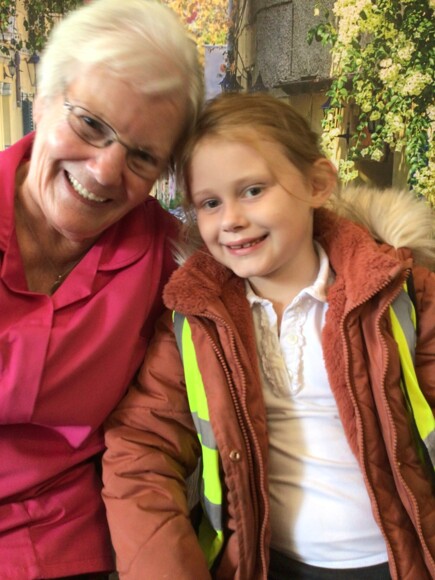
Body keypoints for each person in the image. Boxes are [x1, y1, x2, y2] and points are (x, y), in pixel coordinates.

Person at [102, 93, 435, 579]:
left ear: (317, 184)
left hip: (400, 563)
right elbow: (140, 448)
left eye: (253, 190)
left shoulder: (403, 297)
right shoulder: (195, 322)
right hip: (263, 564)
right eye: (210, 203)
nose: (231, 219)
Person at [0, 0, 203, 577]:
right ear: (43, 101)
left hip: (70, 548)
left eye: (142, 156)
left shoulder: (171, 261)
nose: (106, 171)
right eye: (90, 124)